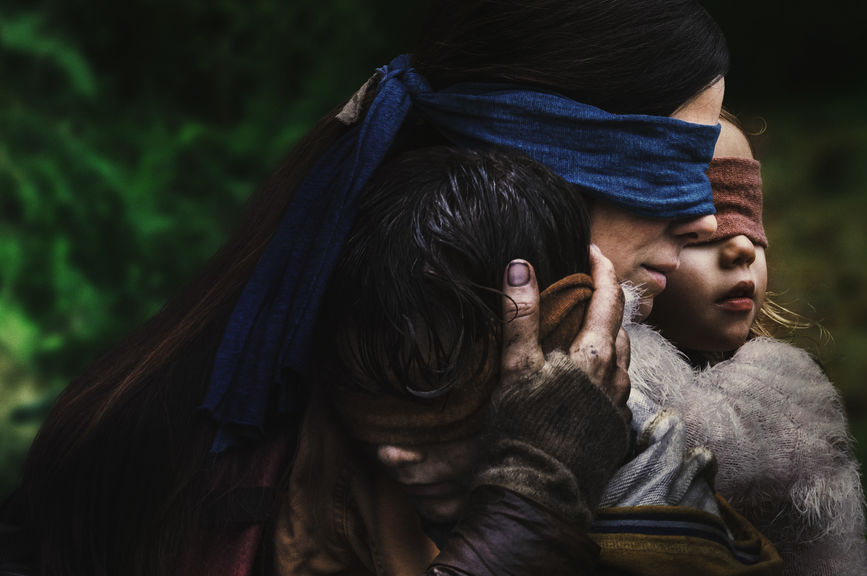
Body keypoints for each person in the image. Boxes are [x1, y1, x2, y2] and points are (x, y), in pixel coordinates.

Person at [1, 1, 744, 574]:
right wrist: (534, 502)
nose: (704, 215)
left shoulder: (654, 386)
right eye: (664, 167)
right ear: (534, 157)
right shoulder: (182, 458)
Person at [276, 145, 779, 574]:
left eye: (433, 391)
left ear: (560, 343)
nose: (393, 454)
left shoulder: (664, 525)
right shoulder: (324, 484)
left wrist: (537, 477)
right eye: (376, 402)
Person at [642, 117, 867, 575]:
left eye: (748, 218)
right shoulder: (598, 391)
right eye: (696, 230)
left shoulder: (784, 399)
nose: (742, 248)